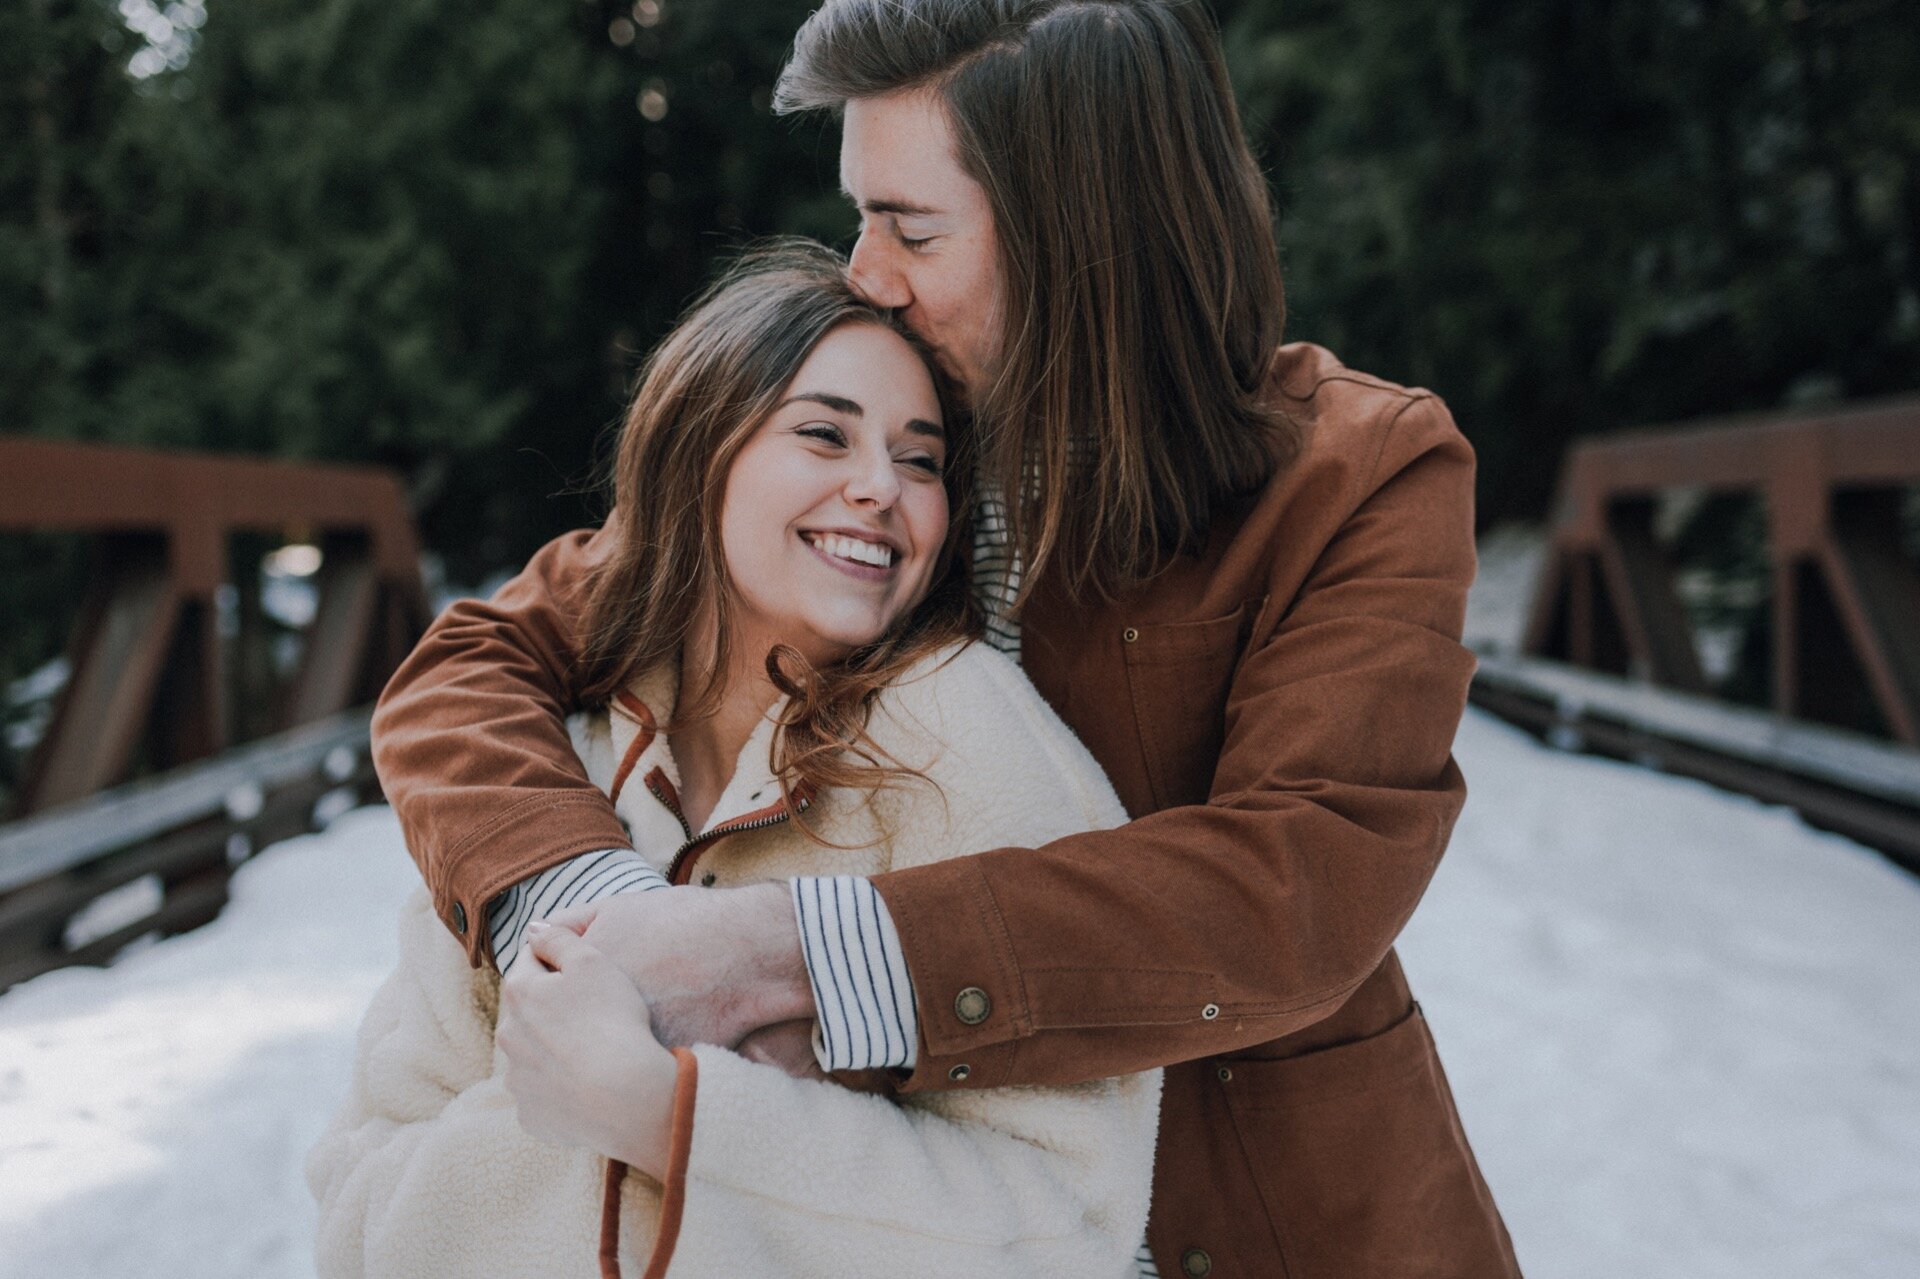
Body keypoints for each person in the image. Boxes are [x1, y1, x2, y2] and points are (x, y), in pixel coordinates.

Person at [371, 0, 1523, 1273]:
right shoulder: (894, 440)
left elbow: (1304, 878)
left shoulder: (1360, 472)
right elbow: (471, 666)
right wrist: (601, 911)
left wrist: (792, 956)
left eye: (909, 225)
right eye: (860, 212)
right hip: (941, 1217)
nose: (865, 271)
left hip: (1266, 1209)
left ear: (1084, 237)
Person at [308, 244, 1161, 1277]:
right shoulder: (567, 757)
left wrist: (672, 1115)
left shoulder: (971, 742)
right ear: (698, 449)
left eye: (922, 458)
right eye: (824, 434)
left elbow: (1066, 1222)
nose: (881, 487)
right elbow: (362, 1186)